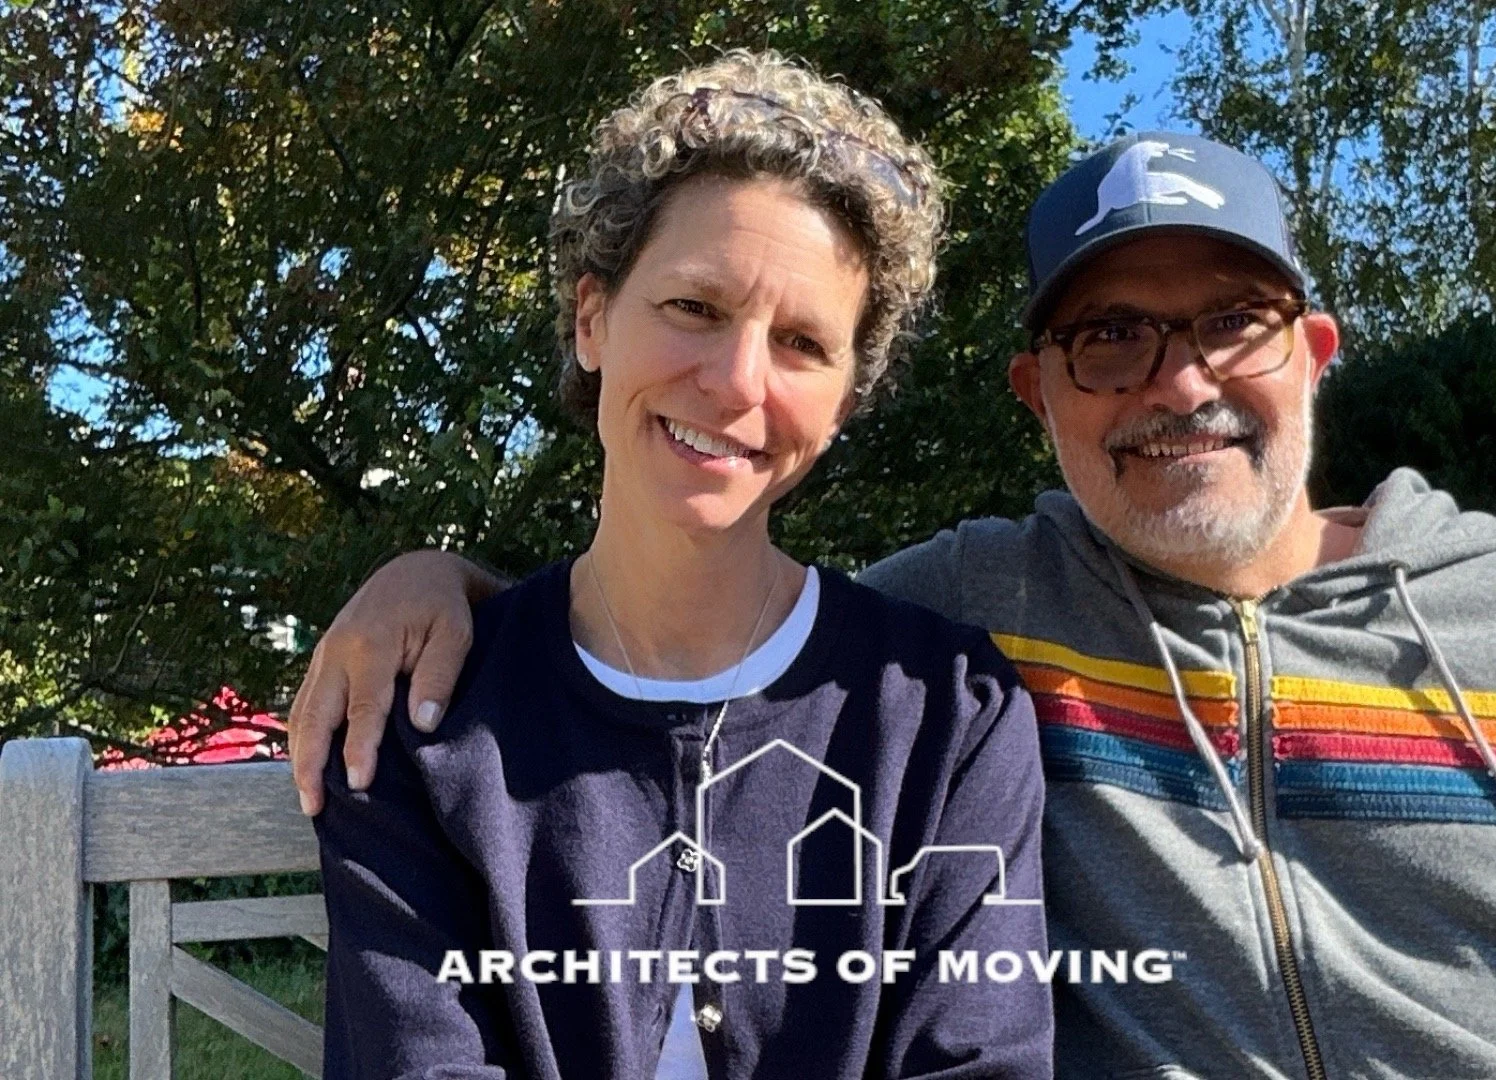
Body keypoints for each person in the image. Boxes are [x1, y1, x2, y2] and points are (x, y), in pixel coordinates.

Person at [293, 128, 1496, 1079]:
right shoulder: (970, 632)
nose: (1178, 382)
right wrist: (437, 586)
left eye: (1232, 321)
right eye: (1111, 338)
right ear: (1036, 393)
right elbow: (698, 634)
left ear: (1314, 354)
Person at [307, 50, 1053, 1080]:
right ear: (592, 318)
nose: (738, 381)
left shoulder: (948, 719)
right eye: (694, 308)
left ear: (845, 403)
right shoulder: (425, 719)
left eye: (802, 343)